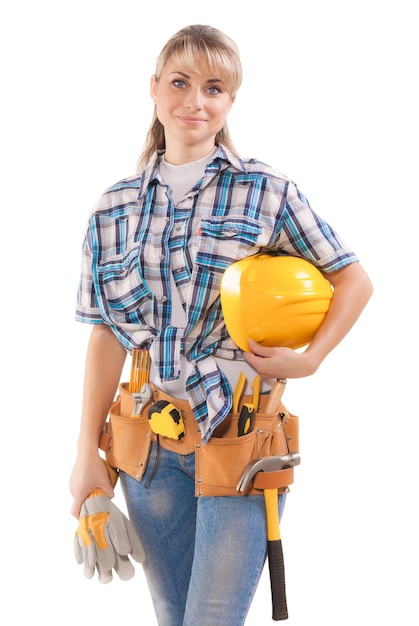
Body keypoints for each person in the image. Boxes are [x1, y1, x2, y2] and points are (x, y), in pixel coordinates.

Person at [69, 24, 373, 626]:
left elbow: (353, 279)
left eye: (214, 88)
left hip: (241, 438)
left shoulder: (267, 192)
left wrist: (311, 358)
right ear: (154, 89)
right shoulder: (114, 207)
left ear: (231, 100)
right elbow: (106, 334)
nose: (195, 101)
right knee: (172, 617)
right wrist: (86, 454)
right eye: (180, 83)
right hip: (148, 446)